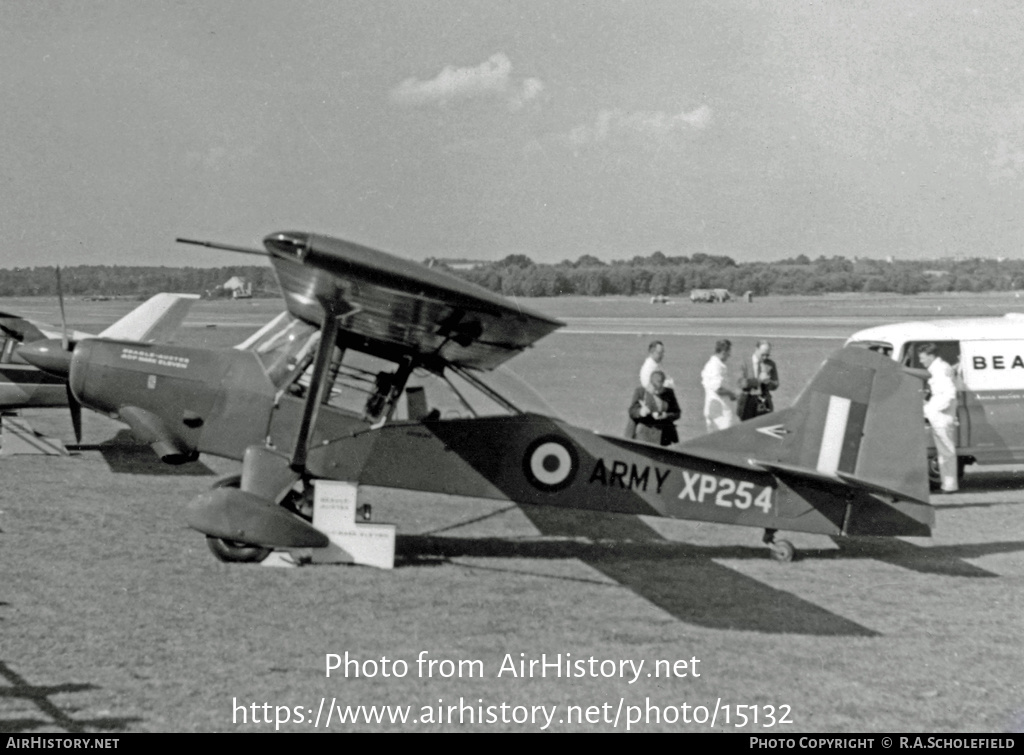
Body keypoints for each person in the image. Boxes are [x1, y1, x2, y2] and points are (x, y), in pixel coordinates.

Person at [918, 343, 959, 493]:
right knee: (944, 452)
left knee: (946, 452)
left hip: (941, 417)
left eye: (923, 358)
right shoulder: (938, 368)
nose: (921, 361)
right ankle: (947, 484)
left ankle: (950, 486)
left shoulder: (941, 369)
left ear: (931, 356)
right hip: (938, 415)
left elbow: (949, 394)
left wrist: (930, 410)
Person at [625, 370, 681, 446]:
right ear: (650, 383)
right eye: (655, 388)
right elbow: (632, 411)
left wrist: (665, 415)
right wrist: (641, 411)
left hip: (664, 436)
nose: (657, 391)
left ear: (663, 383)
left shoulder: (669, 393)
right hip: (644, 433)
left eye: (660, 388)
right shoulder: (640, 391)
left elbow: (677, 413)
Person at [737, 340, 780, 421]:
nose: (765, 358)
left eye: (767, 355)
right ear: (756, 349)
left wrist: (768, 382)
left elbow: (776, 384)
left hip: (764, 401)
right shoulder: (744, 363)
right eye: (763, 354)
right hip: (747, 401)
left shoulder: (771, 364)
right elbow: (741, 383)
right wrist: (759, 380)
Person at [701, 339, 738, 431]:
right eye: (729, 352)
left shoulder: (711, 364)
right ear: (724, 351)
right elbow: (718, 389)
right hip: (720, 413)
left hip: (715, 410)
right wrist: (732, 394)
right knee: (725, 441)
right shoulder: (715, 366)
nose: (729, 355)